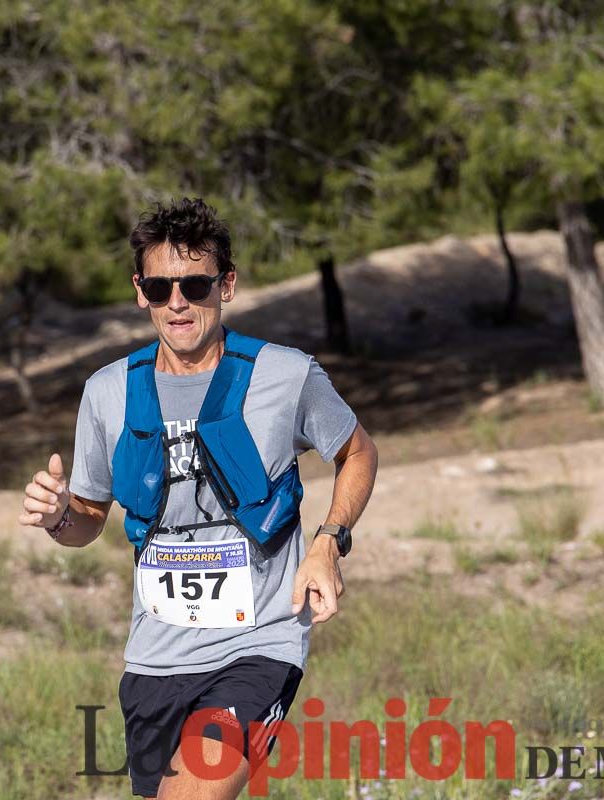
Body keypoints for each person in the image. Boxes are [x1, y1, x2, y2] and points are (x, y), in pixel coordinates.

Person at [19, 197, 378, 799]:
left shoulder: (284, 374)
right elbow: (87, 520)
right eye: (160, 287)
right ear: (141, 292)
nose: (177, 302)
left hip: (259, 643)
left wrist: (328, 542)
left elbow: (358, 453)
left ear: (226, 284)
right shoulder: (107, 392)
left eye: (194, 283)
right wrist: (59, 517)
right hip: (155, 658)